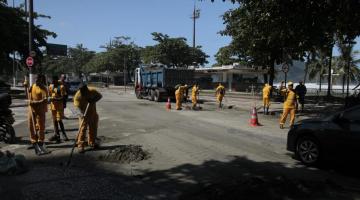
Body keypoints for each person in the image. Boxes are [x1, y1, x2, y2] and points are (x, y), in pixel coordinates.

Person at [74, 83, 102, 153]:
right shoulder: (78, 96)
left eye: (85, 91)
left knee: (93, 128)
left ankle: (92, 143)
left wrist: (93, 100)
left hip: (93, 113)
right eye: (82, 92)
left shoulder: (92, 91)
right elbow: (77, 107)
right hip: (83, 114)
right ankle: (80, 145)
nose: (84, 93)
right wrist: (81, 114)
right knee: (82, 130)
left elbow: (100, 96)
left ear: (87, 89)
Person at [28, 74, 49, 155]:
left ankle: (40, 142)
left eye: (37, 79)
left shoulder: (43, 88)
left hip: (40, 110)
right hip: (31, 109)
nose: (36, 80)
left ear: (41, 79)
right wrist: (25, 86)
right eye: (35, 79)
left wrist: (35, 103)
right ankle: (34, 142)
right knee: (31, 126)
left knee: (41, 127)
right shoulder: (32, 86)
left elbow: (45, 100)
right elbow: (28, 95)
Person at [48, 75, 69, 143]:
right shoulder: (51, 86)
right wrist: (49, 98)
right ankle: (57, 135)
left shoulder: (61, 87)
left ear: (56, 80)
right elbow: (49, 95)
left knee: (59, 120)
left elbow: (63, 97)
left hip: (59, 107)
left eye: (53, 80)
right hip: (52, 106)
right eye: (52, 81)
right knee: (54, 121)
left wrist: (55, 99)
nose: (52, 82)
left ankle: (64, 134)